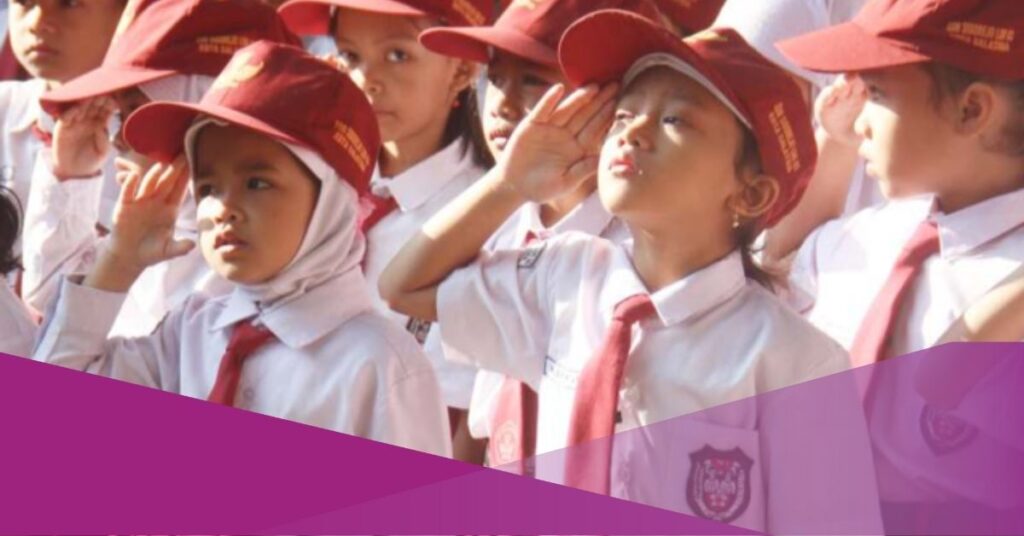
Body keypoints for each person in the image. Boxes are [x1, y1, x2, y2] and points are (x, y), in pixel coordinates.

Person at [379, 10, 880, 533]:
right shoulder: (564, 277)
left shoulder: (795, 360)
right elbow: (405, 286)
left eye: (675, 120)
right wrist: (509, 183)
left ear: (751, 192)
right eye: (623, 114)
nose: (634, 132)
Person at [32, 41, 451, 456]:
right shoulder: (191, 332)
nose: (223, 210)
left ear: (331, 202)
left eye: (257, 183)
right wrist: (118, 262)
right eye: (208, 187)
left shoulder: (380, 365)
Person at [779, 0, 1024, 530]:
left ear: (972, 111)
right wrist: (833, 151)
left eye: (877, 93)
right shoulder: (872, 233)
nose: (857, 119)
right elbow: (764, 277)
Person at [277, 0, 492, 460]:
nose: (366, 79)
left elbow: (467, 413)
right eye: (351, 56)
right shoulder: (315, 182)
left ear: (462, 70)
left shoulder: (485, 216)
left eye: (398, 55)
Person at [21, 0, 298, 337]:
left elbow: (62, 363)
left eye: (135, 114)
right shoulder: (160, 234)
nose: (118, 139)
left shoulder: (261, 260)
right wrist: (71, 179)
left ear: (208, 112)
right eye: (117, 116)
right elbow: (48, 315)